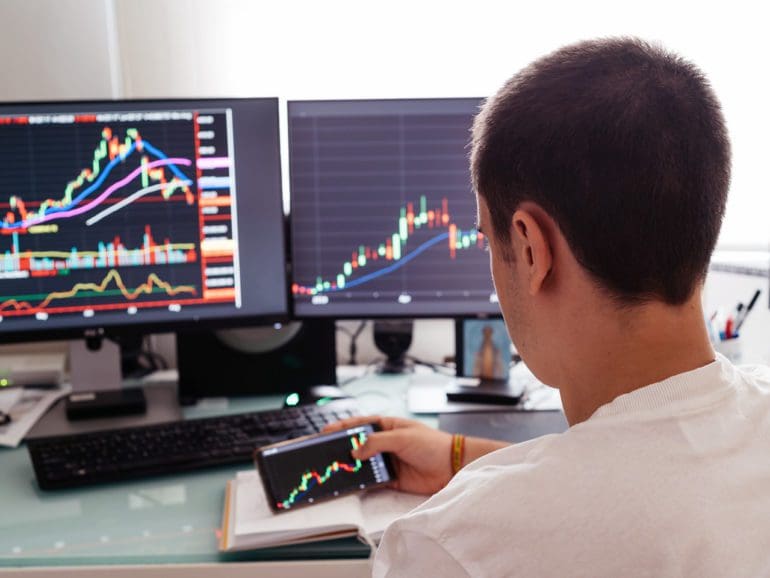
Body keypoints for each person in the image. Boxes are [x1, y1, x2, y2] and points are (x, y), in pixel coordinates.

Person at [327, 37, 770, 576]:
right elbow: (651, 473)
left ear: (533, 249)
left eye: (489, 241)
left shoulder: (447, 547)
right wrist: (459, 457)